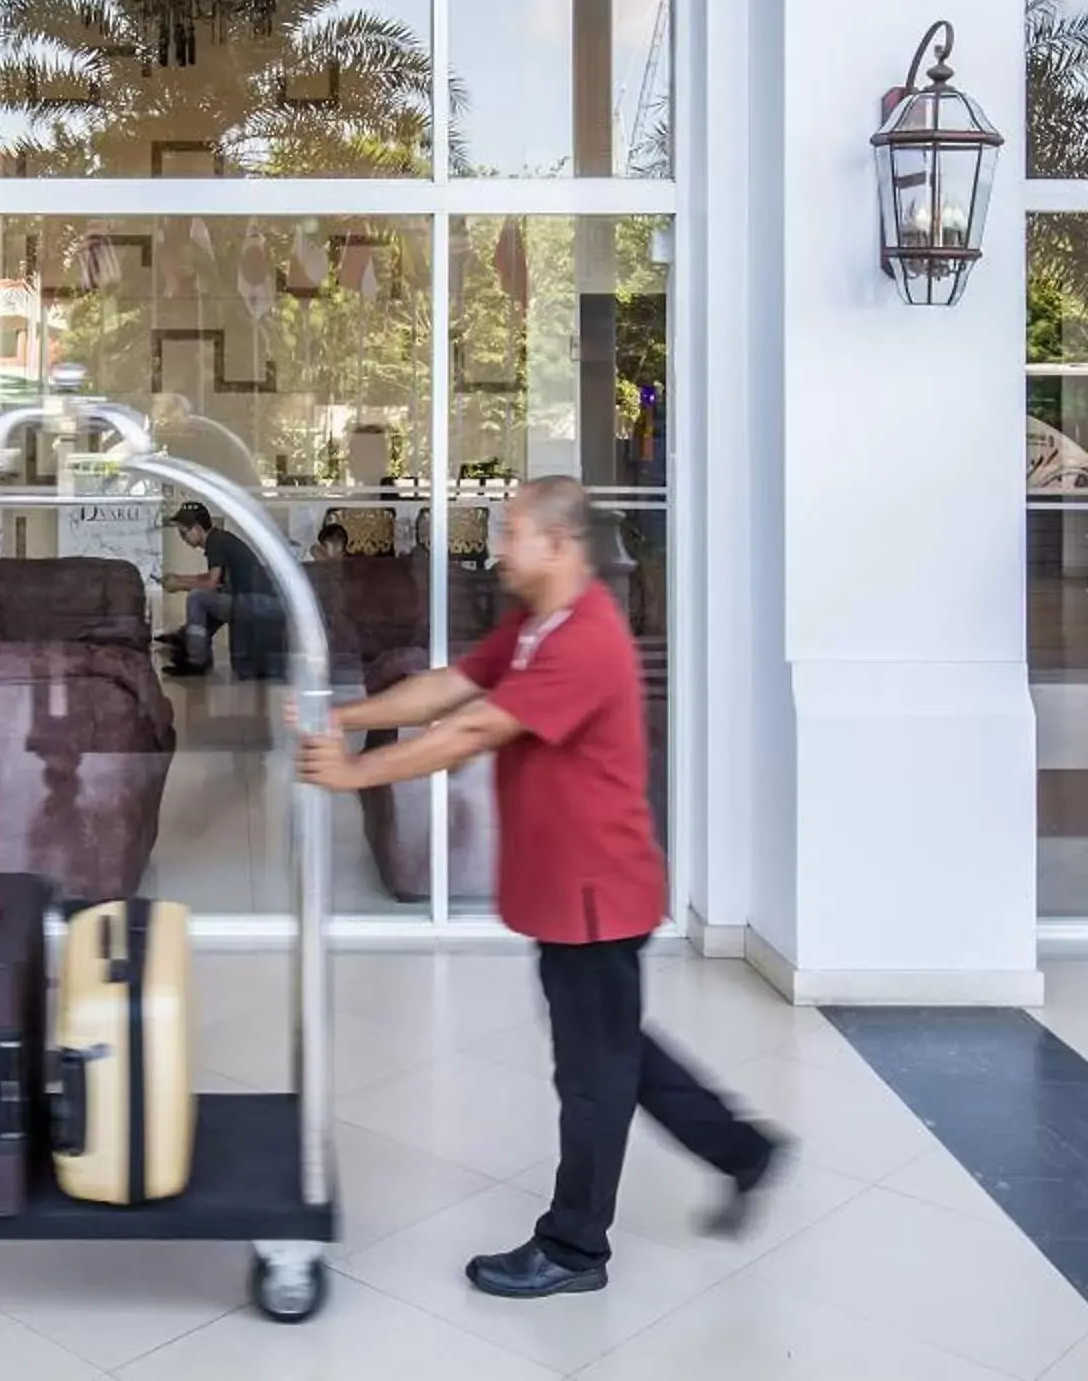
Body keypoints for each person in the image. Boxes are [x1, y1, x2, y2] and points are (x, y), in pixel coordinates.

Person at [297, 475, 785, 1298]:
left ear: (559, 543)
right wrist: (339, 715)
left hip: (595, 895)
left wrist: (353, 775)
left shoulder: (586, 639)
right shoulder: (534, 626)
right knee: (618, 1051)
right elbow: (450, 686)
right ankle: (745, 1150)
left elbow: (474, 730)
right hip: (568, 892)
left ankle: (573, 1249)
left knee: (592, 1080)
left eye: (512, 533)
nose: (497, 548)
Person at [159, 500, 267, 677]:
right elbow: (213, 579)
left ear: (198, 528)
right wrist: (179, 578)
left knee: (197, 598)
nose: (182, 536)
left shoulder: (215, 543)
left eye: (184, 531)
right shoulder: (219, 539)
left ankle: (196, 660)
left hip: (249, 603)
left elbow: (210, 583)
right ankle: (189, 641)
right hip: (248, 599)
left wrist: (179, 585)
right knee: (208, 597)